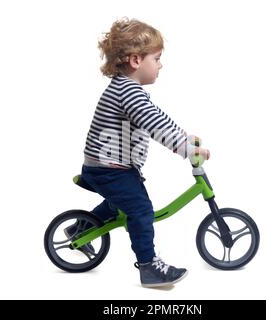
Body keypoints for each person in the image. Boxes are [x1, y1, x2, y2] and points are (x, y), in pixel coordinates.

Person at [65, 17, 210, 288]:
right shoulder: (128, 93)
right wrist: (186, 149)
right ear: (135, 60)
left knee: (121, 203)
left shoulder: (129, 90)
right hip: (109, 168)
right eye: (156, 58)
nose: (160, 64)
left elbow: (159, 118)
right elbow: (154, 125)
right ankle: (148, 266)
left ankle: (81, 228)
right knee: (141, 209)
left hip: (107, 165)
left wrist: (185, 138)